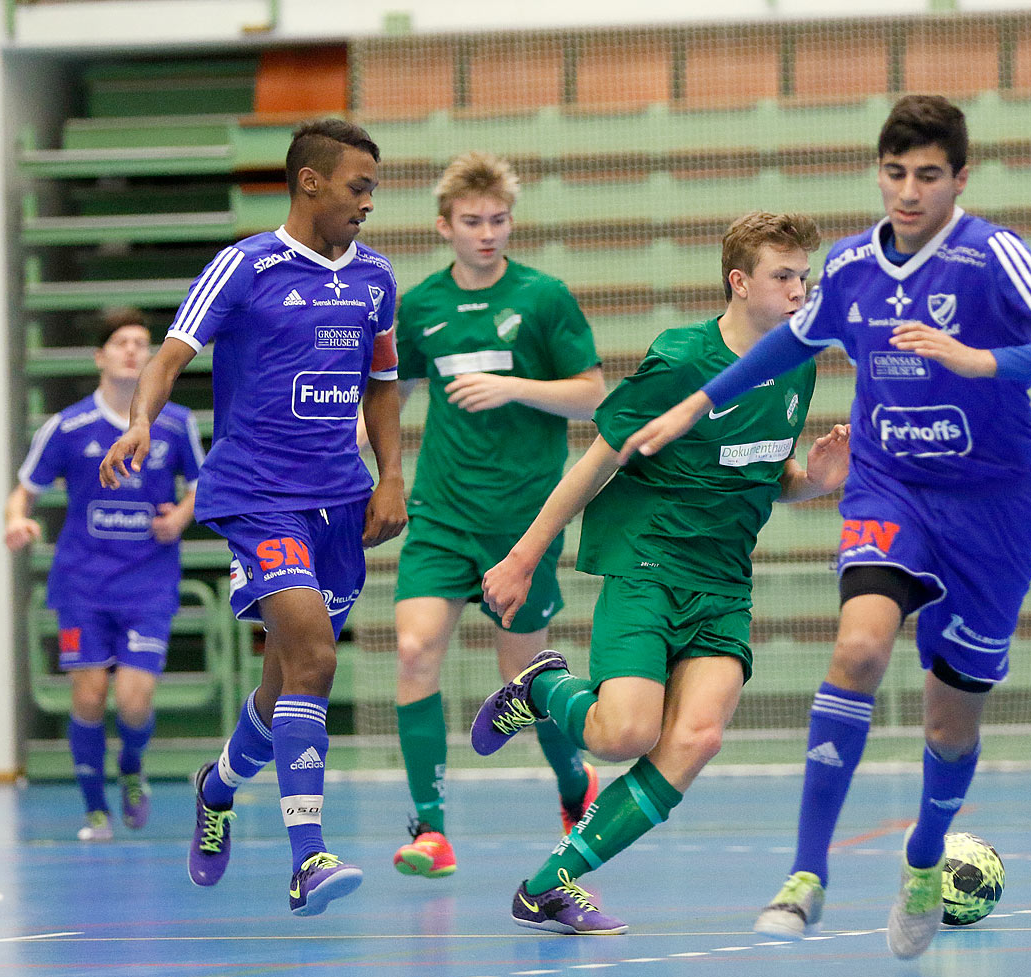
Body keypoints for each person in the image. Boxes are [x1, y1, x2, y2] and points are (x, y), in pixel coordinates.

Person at [618, 95, 1031, 958]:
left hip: (992, 506)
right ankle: (805, 874)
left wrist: (982, 360)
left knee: (947, 723)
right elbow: (791, 344)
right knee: (857, 649)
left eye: (929, 175)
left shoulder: (991, 256)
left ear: (959, 178)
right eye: (896, 173)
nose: (909, 190)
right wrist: (693, 406)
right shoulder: (850, 267)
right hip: (890, 491)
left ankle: (925, 856)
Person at [472, 211, 851, 935]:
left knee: (697, 737)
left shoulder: (799, 363)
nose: (800, 290)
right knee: (623, 735)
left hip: (724, 582)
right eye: (783, 276)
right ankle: (542, 686)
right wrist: (525, 555)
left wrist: (814, 482)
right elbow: (600, 456)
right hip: (648, 561)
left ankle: (551, 883)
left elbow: (757, 472)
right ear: (740, 283)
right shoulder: (681, 361)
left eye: (805, 275)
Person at [99, 119, 407, 916]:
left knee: (288, 676)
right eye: (358, 186)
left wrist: (391, 477)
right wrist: (139, 423)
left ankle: (218, 784)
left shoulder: (376, 277)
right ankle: (310, 857)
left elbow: (382, 385)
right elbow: (170, 357)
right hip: (256, 491)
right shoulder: (244, 266)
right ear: (310, 182)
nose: (369, 202)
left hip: (340, 499)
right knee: (312, 656)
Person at [380, 151, 606, 880]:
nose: (487, 233)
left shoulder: (543, 299)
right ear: (444, 226)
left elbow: (594, 394)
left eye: (499, 220)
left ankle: (576, 788)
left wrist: (513, 388)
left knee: (525, 681)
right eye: (472, 222)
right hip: (442, 513)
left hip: (520, 521)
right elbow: (393, 400)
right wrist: (341, 467)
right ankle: (431, 831)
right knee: (414, 651)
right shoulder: (419, 308)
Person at [7, 308, 203, 842]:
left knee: (134, 702)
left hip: (148, 585)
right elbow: (26, 488)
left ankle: (132, 768)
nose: (133, 351)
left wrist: (180, 518)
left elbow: (202, 486)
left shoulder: (176, 423)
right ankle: (95, 809)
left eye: (142, 343)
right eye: (121, 342)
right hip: (83, 586)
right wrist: (17, 520)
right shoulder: (68, 426)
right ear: (100, 356)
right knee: (90, 697)